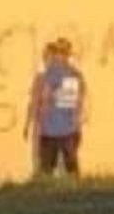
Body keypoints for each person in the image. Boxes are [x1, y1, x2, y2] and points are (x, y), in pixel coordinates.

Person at [31, 39, 87, 178]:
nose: (58, 56)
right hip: (57, 129)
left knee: (66, 169)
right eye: (57, 52)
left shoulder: (70, 74)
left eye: (62, 52)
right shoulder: (55, 74)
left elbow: (67, 101)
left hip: (63, 129)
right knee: (52, 170)